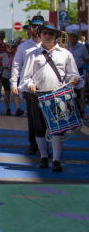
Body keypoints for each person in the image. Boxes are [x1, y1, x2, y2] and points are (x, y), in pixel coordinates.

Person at [19, 21, 83, 172]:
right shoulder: (31, 54)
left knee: (58, 128)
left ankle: (56, 160)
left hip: (58, 94)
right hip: (37, 95)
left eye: (51, 33)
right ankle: (43, 156)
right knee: (39, 128)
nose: (47, 36)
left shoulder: (66, 54)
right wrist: (29, 85)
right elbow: (25, 77)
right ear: (40, 35)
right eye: (44, 33)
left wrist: (74, 80)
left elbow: (73, 75)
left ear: (56, 36)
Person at [10, 15, 44, 155]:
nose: (37, 29)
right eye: (34, 26)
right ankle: (33, 143)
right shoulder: (24, 47)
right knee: (33, 117)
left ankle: (45, 143)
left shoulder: (49, 45)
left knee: (47, 117)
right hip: (30, 87)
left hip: (47, 87)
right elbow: (16, 65)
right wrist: (14, 83)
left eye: (40, 26)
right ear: (30, 27)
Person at [0, 40, 24, 116]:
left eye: (12, 47)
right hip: (5, 76)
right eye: (8, 47)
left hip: (14, 76)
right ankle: (8, 108)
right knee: (7, 92)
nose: (10, 49)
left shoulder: (17, 55)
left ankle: (18, 109)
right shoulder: (3, 55)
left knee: (16, 92)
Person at [68, 30, 89, 116]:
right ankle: (71, 113)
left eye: (74, 36)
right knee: (69, 94)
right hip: (68, 73)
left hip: (79, 71)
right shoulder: (66, 47)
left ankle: (81, 112)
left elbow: (87, 59)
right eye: (71, 36)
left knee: (81, 94)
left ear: (77, 38)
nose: (73, 38)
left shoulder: (82, 47)